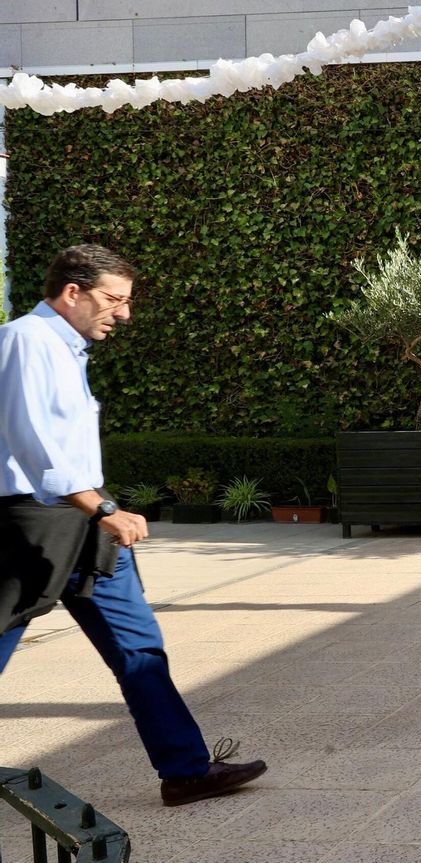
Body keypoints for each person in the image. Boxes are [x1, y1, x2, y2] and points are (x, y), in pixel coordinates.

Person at [0, 244, 267, 807]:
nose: (124, 314)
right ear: (73, 292)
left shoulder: (67, 347)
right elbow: (33, 441)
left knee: (139, 646)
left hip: (87, 517)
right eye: (114, 300)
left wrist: (99, 508)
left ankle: (187, 771)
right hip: (36, 523)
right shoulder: (26, 339)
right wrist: (100, 509)